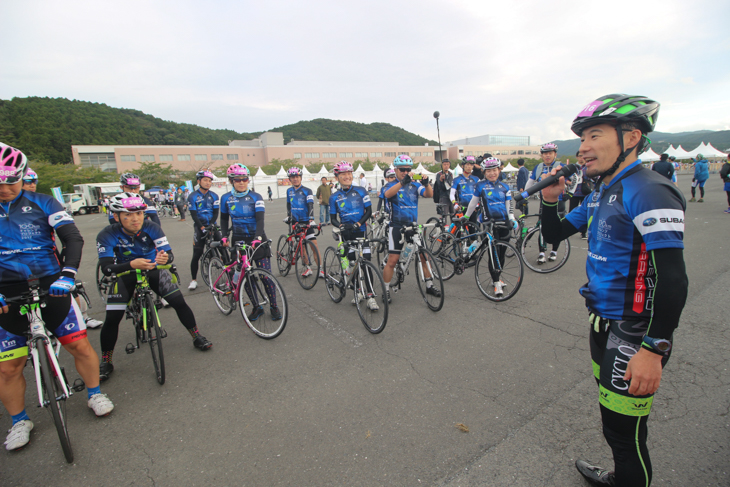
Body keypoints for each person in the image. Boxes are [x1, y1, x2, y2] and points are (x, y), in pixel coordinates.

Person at [540, 94, 688, 487]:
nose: (583, 148)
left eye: (594, 136)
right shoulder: (600, 192)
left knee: (625, 436)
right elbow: (554, 234)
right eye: (582, 139)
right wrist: (549, 199)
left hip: (635, 331)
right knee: (615, 426)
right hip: (602, 324)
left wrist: (654, 349)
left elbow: (675, 279)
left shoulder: (649, 189)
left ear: (632, 136)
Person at [0, 144, 114, 451]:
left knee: (78, 344)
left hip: (52, 284)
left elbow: (72, 238)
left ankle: (94, 393)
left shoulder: (43, 202)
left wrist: (67, 274)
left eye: (10, 180)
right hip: (6, 291)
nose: (4, 188)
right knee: (9, 367)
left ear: (22, 176)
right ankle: (19, 420)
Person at [96, 192, 212, 381]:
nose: (135, 219)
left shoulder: (152, 227)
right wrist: (131, 265)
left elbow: (169, 254)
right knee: (112, 318)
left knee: (178, 302)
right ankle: (106, 360)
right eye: (128, 214)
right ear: (116, 217)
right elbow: (107, 268)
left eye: (139, 214)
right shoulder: (107, 234)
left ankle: (196, 335)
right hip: (125, 273)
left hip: (153, 268)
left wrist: (164, 257)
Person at [219, 164, 282, 321]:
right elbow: (224, 219)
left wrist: (258, 237)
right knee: (243, 277)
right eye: (237, 180)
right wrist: (225, 236)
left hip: (257, 239)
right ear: (231, 181)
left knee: (265, 276)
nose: (241, 182)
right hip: (238, 241)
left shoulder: (256, 197)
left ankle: (274, 306)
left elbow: (260, 219)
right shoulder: (226, 198)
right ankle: (257, 306)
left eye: (244, 179)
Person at [382, 155, 438, 303]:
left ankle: (429, 284)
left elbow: (429, 195)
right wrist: (402, 182)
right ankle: (386, 289)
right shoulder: (390, 184)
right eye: (402, 170)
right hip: (397, 226)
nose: (405, 172)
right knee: (393, 260)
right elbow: (387, 195)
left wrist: (426, 184)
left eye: (408, 170)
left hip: (413, 226)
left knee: (424, 257)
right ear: (395, 170)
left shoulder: (414, 185)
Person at [463, 157, 518, 296]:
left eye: (494, 170)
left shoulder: (505, 187)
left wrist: (511, 219)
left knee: (502, 252)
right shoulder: (480, 185)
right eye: (488, 171)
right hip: (489, 223)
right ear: (484, 172)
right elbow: (473, 203)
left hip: (504, 222)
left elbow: (509, 205)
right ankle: (496, 282)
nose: (492, 173)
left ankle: (497, 278)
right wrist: (466, 216)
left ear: (499, 170)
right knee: (493, 253)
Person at [328, 162, 378, 310]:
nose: (346, 177)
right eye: (342, 174)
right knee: (352, 264)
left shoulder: (361, 191)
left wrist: (357, 224)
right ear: (337, 177)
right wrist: (341, 226)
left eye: (349, 174)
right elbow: (333, 219)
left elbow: (368, 212)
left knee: (366, 263)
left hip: (361, 232)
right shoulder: (334, 197)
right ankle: (358, 291)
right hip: (346, 234)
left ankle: (370, 296)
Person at [526, 142, 565, 264]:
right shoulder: (538, 167)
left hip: (559, 201)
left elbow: (576, 177)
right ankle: (541, 252)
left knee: (558, 227)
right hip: (544, 202)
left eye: (550, 153)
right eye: (545, 153)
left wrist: (570, 193)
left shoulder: (560, 166)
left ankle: (554, 251)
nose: (547, 156)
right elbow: (530, 181)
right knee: (542, 226)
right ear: (541, 155)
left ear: (555, 154)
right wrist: (524, 196)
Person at [285, 167, 323, 279]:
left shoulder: (307, 190)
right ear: (290, 179)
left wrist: (311, 218)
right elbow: (288, 205)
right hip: (296, 222)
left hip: (306, 221)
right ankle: (308, 268)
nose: (295, 179)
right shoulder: (289, 191)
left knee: (314, 245)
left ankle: (321, 269)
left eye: (297, 177)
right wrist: (289, 216)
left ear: (300, 178)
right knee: (302, 246)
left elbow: (311, 204)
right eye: (293, 177)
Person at [187, 170, 220, 290]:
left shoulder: (214, 196)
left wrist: (211, 226)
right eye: (205, 180)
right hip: (199, 225)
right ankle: (193, 280)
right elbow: (194, 215)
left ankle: (229, 271)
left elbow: (216, 212)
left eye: (210, 180)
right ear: (199, 181)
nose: (208, 183)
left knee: (223, 245)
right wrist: (202, 228)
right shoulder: (192, 196)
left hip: (212, 224)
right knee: (197, 253)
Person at [451, 156, 480, 227]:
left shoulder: (476, 179)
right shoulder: (456, 179)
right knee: (459, 231)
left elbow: (480, 193)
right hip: (461, 208)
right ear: (463, 166)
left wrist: (478, 204)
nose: (469, 167)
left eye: (471, 165)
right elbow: (451, 194)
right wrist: (455, 204)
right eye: (467, 165)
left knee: (472, 231)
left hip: (473, 208)